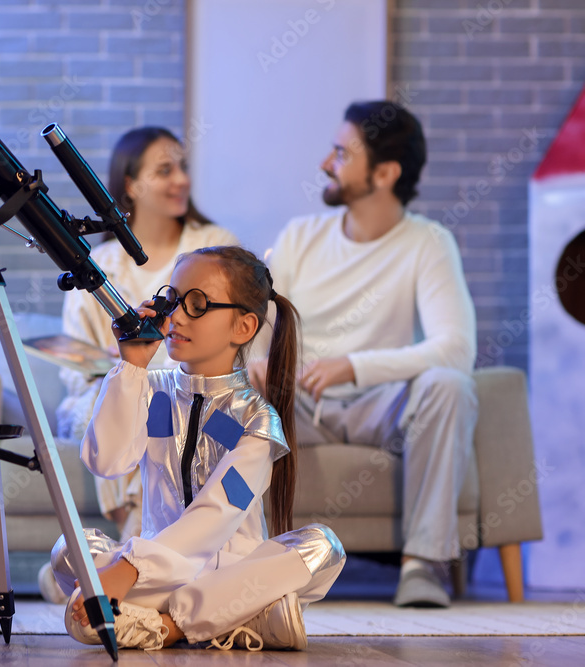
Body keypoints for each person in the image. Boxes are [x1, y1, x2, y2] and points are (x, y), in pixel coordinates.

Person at [51, 246, 345, 651]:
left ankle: (169, 627)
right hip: (160, 576)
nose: (176, 316)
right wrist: (132, 366)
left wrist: (125, 571)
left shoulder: (256, 422)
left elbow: (218, 514)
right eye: (172, 300)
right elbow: (106, 461)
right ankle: (240, 619)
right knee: (68, 550)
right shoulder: (151, 392)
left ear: (243, 328)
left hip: (230, 575)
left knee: (323, 547)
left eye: (196, 304)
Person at [249, 101, 477, 608]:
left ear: (385, 173)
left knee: (450, 385)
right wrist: (258, 366)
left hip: (380, 406)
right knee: (238, 386)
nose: (325, 164)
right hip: (300, 406)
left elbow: (456, 348)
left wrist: (355, 366)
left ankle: (423, 565)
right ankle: (238, 556)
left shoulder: (428, 242)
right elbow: (258, 328)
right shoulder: (300, 238)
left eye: (340, 152)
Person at [56, 127, 240, 539]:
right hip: (114, 386)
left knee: (166, 401)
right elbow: (75, 371)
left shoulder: (214, 247)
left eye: (183, 168)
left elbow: (240, 340)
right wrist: (123, 367)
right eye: (165, 170)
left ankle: (131, 547)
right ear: (131, 185)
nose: (182, 180)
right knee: (106, 400)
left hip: (192, 386)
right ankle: (135, 530)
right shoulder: (95, 265)